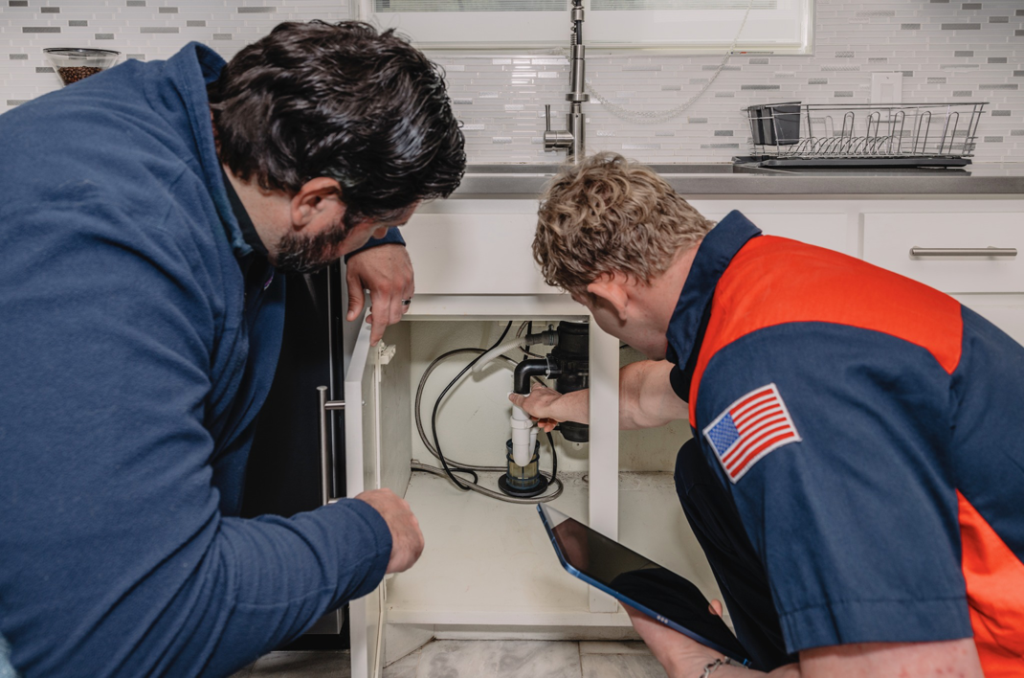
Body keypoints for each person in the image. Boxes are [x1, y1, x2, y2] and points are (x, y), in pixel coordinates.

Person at [0, 20, 465, 678]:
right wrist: (367, 535)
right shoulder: (104, 260)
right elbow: (129, 633)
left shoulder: (194, 122)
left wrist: (367, 238)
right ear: (315, 201)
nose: (382, 235)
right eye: (378, 222)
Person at [511, 153, 1023, 678]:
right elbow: (646, 395)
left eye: (589, 309)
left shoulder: (767, 385)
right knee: (703, 465)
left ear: (610, 295)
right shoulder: (760, 288)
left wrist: (695, 664)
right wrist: (551, 405)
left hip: (998, 642)